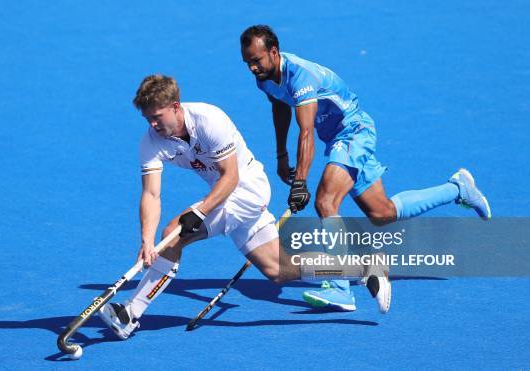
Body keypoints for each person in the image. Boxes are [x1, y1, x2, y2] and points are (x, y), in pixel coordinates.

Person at [97, 74, 391, 339]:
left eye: (157, 116)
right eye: (147, 118)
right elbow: (151, 195)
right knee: (279, 270)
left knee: (174, 232)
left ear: (175, 106)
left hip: (246, 189)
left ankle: (131, 313)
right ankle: (364, 268)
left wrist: (198, 213)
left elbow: (231, 176)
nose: (152, 124)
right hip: (224, 196)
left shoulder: (210, 119)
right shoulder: (151, 141)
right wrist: (146, 242)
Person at [240, 25, 491, 311]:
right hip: (336, 138)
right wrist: (282, 155)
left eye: (256, 60)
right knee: (382, 212)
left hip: (353, 132)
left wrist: (300, 182)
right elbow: (280, 107)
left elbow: (306, 131)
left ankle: (340, 288)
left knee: (325, 201)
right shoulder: (264, 78)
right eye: (247, 62)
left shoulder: (301, 76)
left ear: (273, 52)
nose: (251, 67)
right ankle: (458, 188)